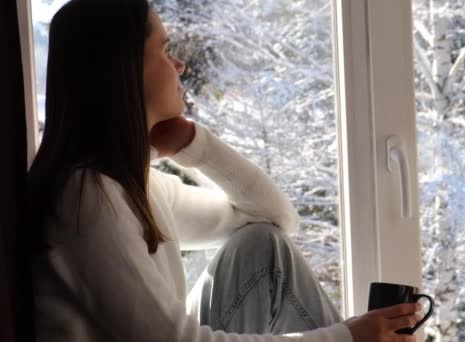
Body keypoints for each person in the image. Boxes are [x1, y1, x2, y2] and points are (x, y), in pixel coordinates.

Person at [27, 0, 420, 341]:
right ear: (125, 69)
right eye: (164, 51)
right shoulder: (88, 197)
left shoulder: (133, 187)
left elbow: (275, 219)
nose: (179, 64)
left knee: (263, 246)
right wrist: (346, 338)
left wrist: (195, 146)